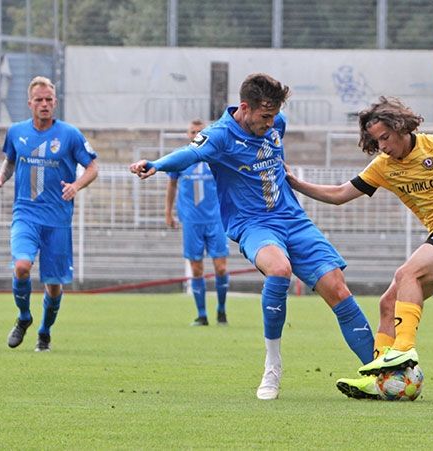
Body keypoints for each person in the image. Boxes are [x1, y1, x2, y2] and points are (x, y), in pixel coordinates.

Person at [130, 73, 374, 400]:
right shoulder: (219, 136)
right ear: (244, 108)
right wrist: (156, 165)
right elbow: (189, 153)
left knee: (337, 287)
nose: (271, 123)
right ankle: (272, 365)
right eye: (264, 116)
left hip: (293, 219)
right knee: (279, 270)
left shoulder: (276, 124)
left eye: (274, 115)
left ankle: (379, 371)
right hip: (253, 224)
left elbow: (275, 152)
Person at [285, 96, 433, 399]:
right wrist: (295, 183)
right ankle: (379, 376)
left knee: (407, 272)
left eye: (385, 137)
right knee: (388, 303)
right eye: (376, 141)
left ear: (400, 128)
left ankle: (403, 349)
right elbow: (339, 194)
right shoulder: (383, 167)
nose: (383, 146)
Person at [0, 76, 98, 352]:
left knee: (53, 286)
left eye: (49, 99)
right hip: (25, 214)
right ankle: (24, 317)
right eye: (39, 100)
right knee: (22, 266)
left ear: (55, 102)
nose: (45, 104)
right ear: (30, 103)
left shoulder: (70, 134)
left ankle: (44, 332)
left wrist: (76, 185)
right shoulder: (16, 132)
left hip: (58, 220)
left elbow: (93, 168)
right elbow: (10, 160)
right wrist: (0, 180)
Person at [165, 119, 230, 326]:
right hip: (191, 221)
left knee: (220, 267)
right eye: (192, 131)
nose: (195, 134)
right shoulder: (182, 158)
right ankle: (202, 315)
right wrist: (168, 212)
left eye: (199, 131)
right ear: (188, 135)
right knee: (196, 269)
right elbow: (172, 185)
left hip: (215, 219)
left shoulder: (216, 156)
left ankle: (221, 311)